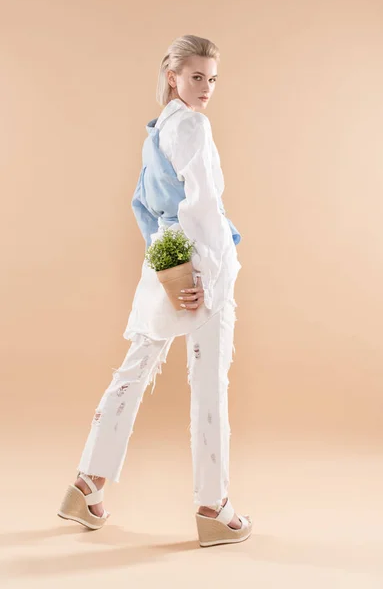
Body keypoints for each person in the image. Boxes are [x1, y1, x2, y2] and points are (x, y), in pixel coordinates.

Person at [58, 34, 252, 547]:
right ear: (173, 76)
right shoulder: (192, 124)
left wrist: (165, 264)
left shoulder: (157, 129)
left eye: (212, 79)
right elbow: (205, 205)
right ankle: (214, 506)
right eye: (196, 77)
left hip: (165, 261)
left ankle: (88, 482)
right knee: (209, 381)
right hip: (201, 266)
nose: (206, 88)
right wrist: (205, 276)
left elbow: (142, 205)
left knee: (136, 368)